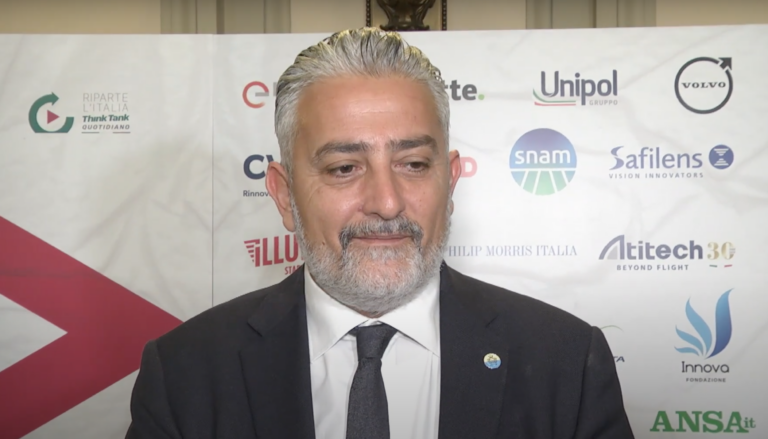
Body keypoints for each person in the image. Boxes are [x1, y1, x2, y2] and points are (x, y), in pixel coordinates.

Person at [125, 27, 634, 439]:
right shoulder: (186, 372)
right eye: (344, 168)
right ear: (283, 195)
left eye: (414, 164)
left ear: (450, 182)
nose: (387, 203)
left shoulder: (566, 362)